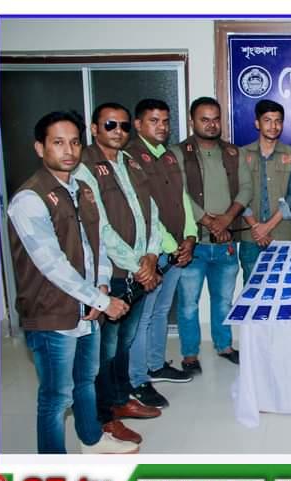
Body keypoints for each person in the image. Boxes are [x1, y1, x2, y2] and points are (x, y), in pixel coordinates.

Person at [8, 111, 137, 454]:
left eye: (75, 142)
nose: (69, 150)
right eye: (58, 142)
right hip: (52, 312)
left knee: (85, 381)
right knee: (56, 396)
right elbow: (52, 263)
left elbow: (97, 245)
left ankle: (91, 440)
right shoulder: (29, 199)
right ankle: (54, 466)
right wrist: (100, 300)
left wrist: (102, 286)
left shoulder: (82, 189)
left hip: (88, 306)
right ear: (40, 148)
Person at [76, 102, 166, 445]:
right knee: (106, 349)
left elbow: (152, 213)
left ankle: (121, 398)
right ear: (94, 128)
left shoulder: (131, 162)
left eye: (125, 126)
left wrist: (152, 256)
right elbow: (100, 227)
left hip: (139, 269)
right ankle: (104, 417)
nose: (119, 131)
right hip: (111, 274)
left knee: (125, 342)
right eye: (110, 125)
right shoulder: (84, 168)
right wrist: (138, 265)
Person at [124, 99, 197, 408]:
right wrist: (171, 245)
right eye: (154, 121)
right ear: (138, 124)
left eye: (165, 121)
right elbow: (146, 211)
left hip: (177, 250)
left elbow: (183, 198)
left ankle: (156, 365)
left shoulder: (168, 156)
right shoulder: (130, 157)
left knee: (161, 311)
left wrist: (190, 237)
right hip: (153, 253)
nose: (162, 127)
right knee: (142, 318)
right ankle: (137, 379)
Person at [171, 97, 251, 372]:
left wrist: (226, 219)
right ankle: (190, 354)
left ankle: (224, 345)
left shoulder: (233, 152)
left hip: (225, 243)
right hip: (193, 246)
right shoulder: (178, 153)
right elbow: (178, 192)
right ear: (192, 121)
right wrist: (206, 220)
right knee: (188, 304)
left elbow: (246, 188)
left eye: (215, 119)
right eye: (204, 119)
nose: (211, 124)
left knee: (224, 301)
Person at [238, 99, 291, 283]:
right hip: (251, 236)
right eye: (267, 120)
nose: (273, 126)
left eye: (278, 121)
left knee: (283, 289)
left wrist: (267, 227)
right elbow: (238, 193)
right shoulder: (242, 154)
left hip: (282, 235)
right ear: (257, 123)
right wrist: (256, 227)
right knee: (252, 290)